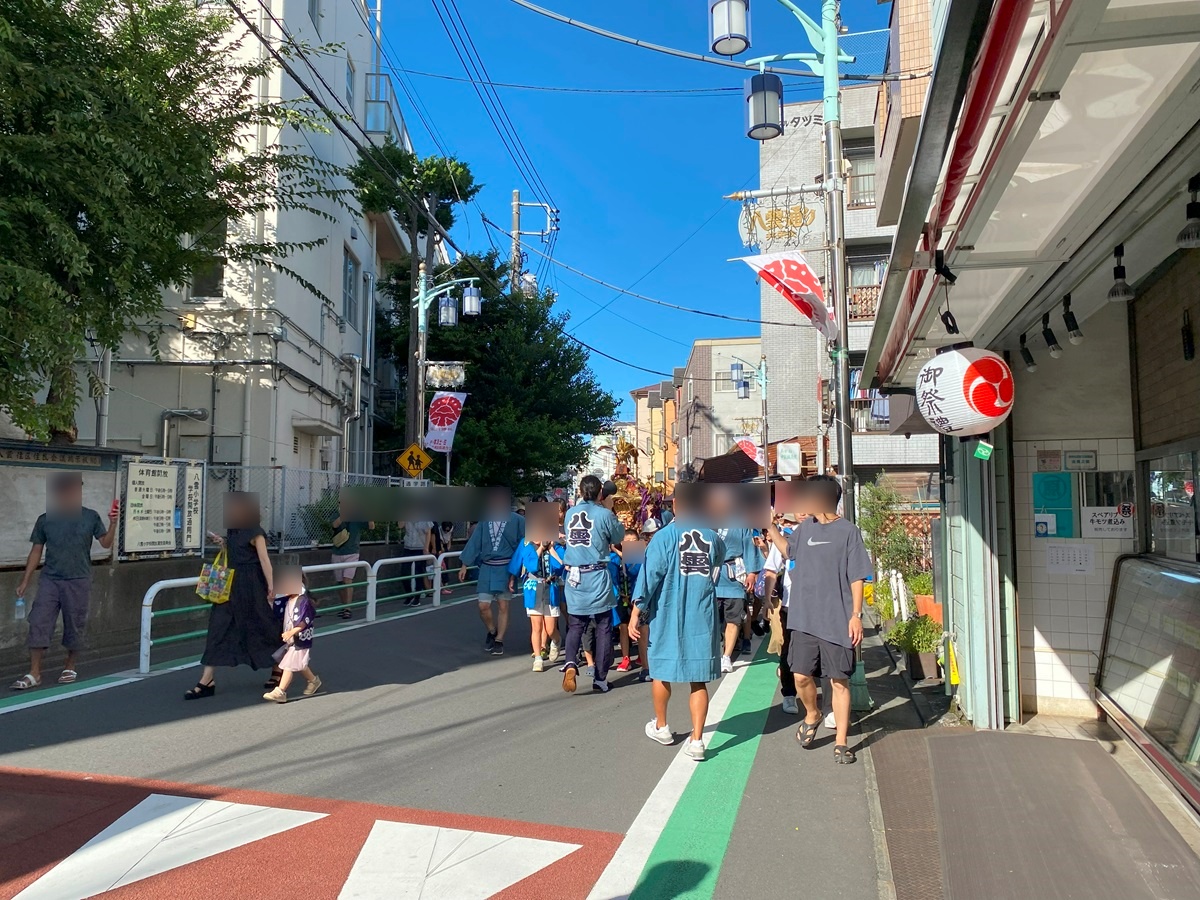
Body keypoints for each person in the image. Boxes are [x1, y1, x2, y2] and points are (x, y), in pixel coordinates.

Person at [765, 475, 872, 764]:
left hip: (837, 619)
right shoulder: (803, 530)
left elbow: (858, 576)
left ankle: (841, 742)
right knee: (800, 676)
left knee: (839, 681)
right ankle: (813, 714)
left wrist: (856, 616)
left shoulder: (849, 532)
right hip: (803, 618)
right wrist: (771, 528)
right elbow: (789, 552)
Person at [630, 484, 726, 761]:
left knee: (661, 670)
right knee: (699, 679)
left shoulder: (663, 537)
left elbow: (649, 577)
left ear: (676, 505)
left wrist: (637, 610)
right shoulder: (712, 538)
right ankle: (697, 740)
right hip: (701, 612)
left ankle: (662, 726)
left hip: (668, 610)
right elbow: (719, 559)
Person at [10, 473, 118, 691]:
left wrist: (113, 523)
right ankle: (34, 672)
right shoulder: (45, 519)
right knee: (39, 621)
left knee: (75, 622)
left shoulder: (90, 517)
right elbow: (36, 550)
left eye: (75, 489)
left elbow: (106, 544)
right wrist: (25, 580)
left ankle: (70, 665)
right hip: (50, 578)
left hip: (78, 578)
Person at [186, 492, 278, 700]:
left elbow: (264, 560)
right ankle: (207, 680)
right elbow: (235, 554)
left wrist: (271, 588)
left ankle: (278, 667)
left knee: (264, 628)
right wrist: (222, 543)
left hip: (253, 586)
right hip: (229, 587)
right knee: (218, 628)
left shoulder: (257, 532)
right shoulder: (233, 531)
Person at [560, 475, 625, 694]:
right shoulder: (604, 514)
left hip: (574, 575)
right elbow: (618, 536)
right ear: (600, 493)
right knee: (604, 625)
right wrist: (607, 508)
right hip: (596, 574)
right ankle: (600, 679)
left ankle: (570, 662)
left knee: (576, 624)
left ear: (580, 492)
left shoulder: (570, 513)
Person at [459, 488, 525, 655]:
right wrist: (464, 565)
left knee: (503, 604)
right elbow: (474, 542)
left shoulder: (517, 520)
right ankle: (492, 630)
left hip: (506, 567)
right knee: (483, 605)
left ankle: (499, 639)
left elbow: (527, 541)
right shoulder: (484, 521)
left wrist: (522, 565)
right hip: (487, 566)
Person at [710, 487, 763, 674]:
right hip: (711, 575)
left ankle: (726, 656)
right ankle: (714, 653)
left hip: (733, 574)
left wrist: (751, 572)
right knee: (711, 619)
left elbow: (749, 546)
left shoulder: (740, 521)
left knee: (733, 618)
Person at [263, 565, 321, 703]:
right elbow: (277, 612)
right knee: (300, 665)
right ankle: (314, 681)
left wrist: (291, 632)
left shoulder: (303, 601)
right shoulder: (288, 600)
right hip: (291, 639)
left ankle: (280, 691)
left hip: (300, 639)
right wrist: (271, 601)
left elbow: (304, 622)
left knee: (288, 665)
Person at [508, 534, 565, 672]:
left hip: (551, 587)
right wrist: (540, 548)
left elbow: (560, 566)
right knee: (536, 627)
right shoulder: (527, 544)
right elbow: (531, 566)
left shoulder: (556, 545)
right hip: (533, 587)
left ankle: (556, 641)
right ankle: (538, 658)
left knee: (551, 629)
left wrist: (550, 549)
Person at [331, 498, 373, 620]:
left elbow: (371, 526)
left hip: (352, 552)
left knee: (347, 579)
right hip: (337, 551)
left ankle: (348, 609)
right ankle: (344, 606)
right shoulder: (336, 514)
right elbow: (335, 524)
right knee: (339, 582)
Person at [400, 519, 434, 606]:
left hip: (420, 547)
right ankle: (409, 594)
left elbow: (428, 532)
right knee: (404, 572)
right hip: (408, 547)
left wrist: (426, 547)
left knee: (418, 573)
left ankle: (417, 598)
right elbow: (400, 526)